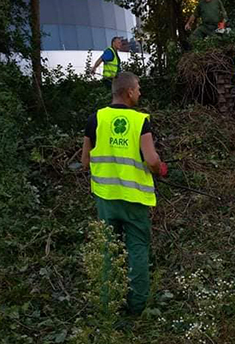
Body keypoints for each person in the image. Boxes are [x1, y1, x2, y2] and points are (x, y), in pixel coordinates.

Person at [81, 72, 168, 316]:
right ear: (129, 92)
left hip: (106, 198)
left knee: (109, 249)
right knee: (137, 249)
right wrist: (159, 168)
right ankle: (137, 308)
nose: (140, 92)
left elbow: (85, 161)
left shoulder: (95, 119)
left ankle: (109, 305)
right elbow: (151, 159)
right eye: (138, 88)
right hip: (135, 200)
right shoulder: (140, 121)